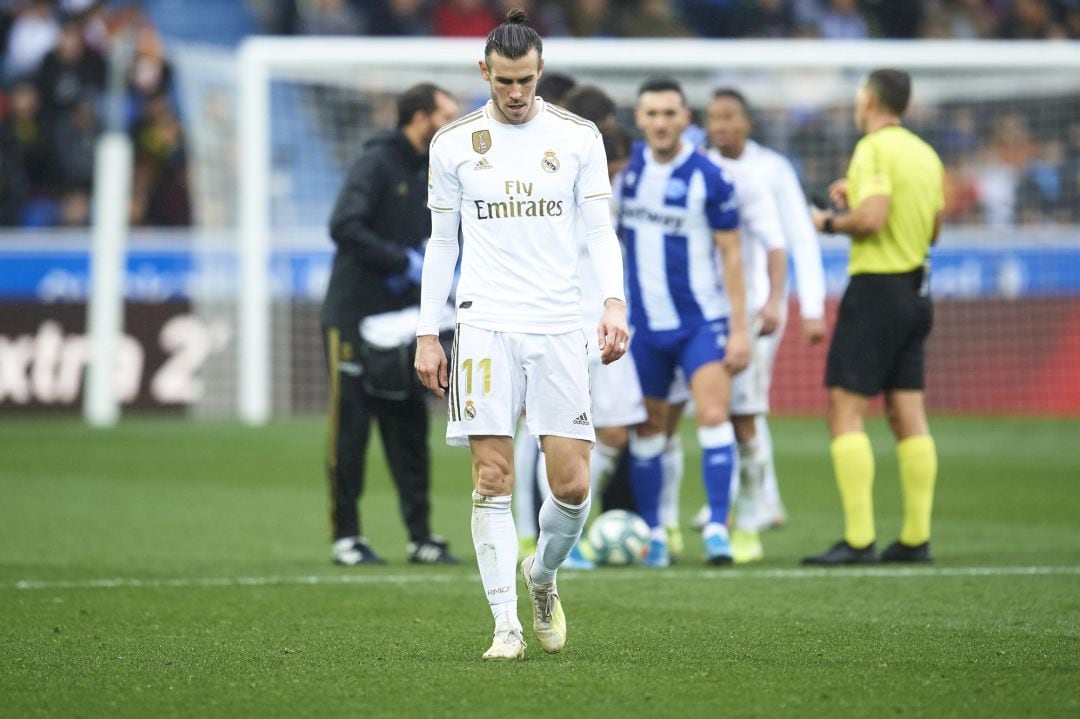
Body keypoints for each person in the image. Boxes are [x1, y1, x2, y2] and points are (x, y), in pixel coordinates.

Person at [414, 9, 629, 661]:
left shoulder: (578, 136)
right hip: (482, 323)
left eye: (526, 81)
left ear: (540, 74)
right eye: (504, 81)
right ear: (485, 71)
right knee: (492, 473)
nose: (515, 94)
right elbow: (442, 242)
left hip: (559, 323)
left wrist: (613, 301)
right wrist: (430, 331)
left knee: (570, 484)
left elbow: (599, 231)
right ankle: (505, 622)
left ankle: (541, 577)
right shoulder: (452, 143)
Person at [804, 68, 943, 565]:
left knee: (844, 411)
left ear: (868, 98)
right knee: (908, 415)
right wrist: (857, 200)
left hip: (877, 288)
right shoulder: (925, 153)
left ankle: (860, 540)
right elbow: (933, 230)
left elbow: (873, 220)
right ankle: (915, 538)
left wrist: (828, 221)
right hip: (917, 289)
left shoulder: (873, 147)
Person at [322, 82, 461, 567]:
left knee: (408, 427)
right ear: (421, 118)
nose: (457, 118)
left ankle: (420, 536)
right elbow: (343, 225)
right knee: (352, 427)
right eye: (448, 111)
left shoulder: (434, 168)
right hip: (354, 316)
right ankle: (346, 536)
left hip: (404, 321)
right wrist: (397, 260)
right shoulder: (375, 162)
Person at [618, 77, 749, 568]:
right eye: (651, 114)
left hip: (701, 321)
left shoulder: (710, 177)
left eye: (670, 113)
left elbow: (732, 256)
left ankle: (718, 527)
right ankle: (654, 533)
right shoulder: (622, 171)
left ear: (686, 119)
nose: (660, 123)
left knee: (714, 417)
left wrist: (739, 328)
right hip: (645, 327)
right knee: (650, 429)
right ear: (639, 119)